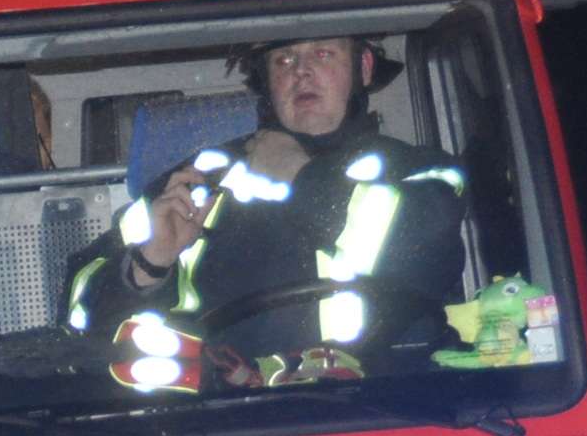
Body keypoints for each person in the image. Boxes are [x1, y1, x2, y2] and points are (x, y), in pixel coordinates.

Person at [65, 35, 470, 383]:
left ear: (363, 67)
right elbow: (80, 314)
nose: (301, 72)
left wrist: (300, 175)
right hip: (233, 420)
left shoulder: (419, 170)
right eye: (284, 59)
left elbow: (422, 252)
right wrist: (149, 265)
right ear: (267, 81)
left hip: (386, 408)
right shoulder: (202, 178)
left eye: (323, 54)